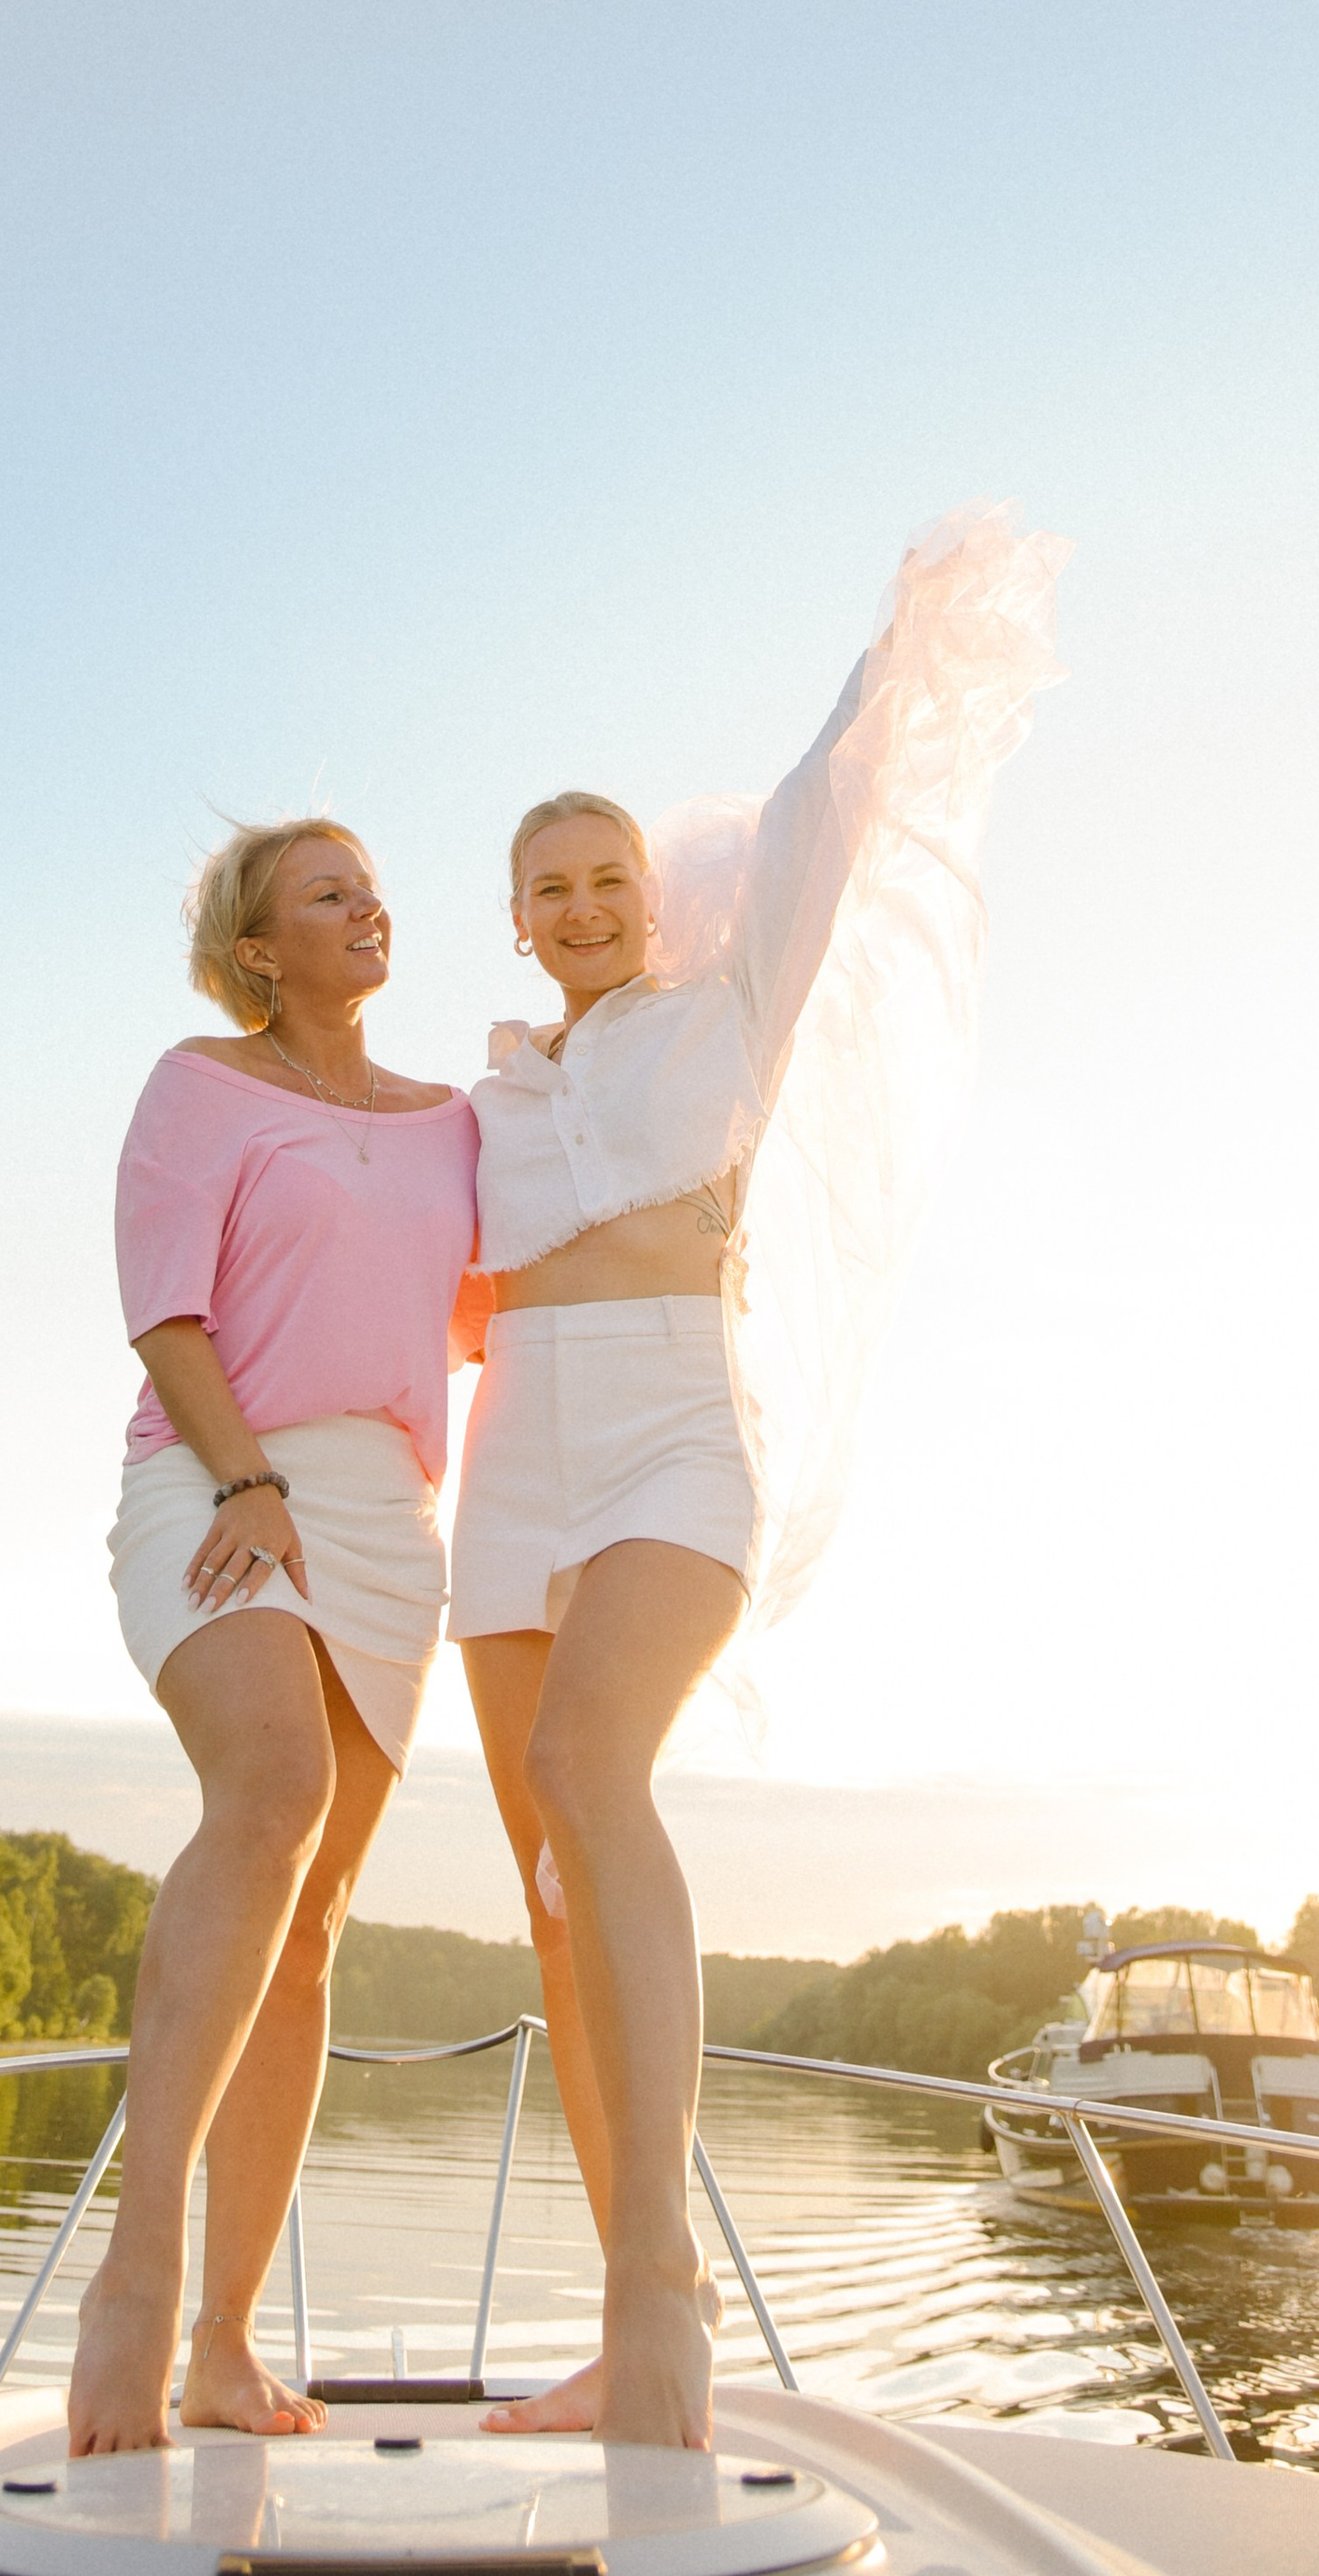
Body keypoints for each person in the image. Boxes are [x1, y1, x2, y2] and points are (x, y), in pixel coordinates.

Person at [452, 504, 1065, 2449]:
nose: (579, 905)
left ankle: (666, 2321)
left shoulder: (727, 1012)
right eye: (545, 886)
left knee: (585, 1773)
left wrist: (891, 655)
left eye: (605, 873)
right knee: (550, 1892)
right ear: (517, 915)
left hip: (668, 1438)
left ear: (653, 891)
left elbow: (814, 817)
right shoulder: (486, 1092)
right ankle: (626, 2317)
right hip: (508, 1473)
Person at [66, 818, 480, 2455]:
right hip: (219, 1473)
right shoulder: (199, 1083)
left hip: (387, 1522)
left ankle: (226, 2349)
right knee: (273, 1794)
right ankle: (137, 2274)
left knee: (310, 1930)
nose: (368, 902)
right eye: (327, 891)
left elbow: (508, 1294)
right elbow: (165, 1306)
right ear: (258, 949)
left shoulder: (456, 1121)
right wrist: (246, 1477)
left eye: (372, 880)